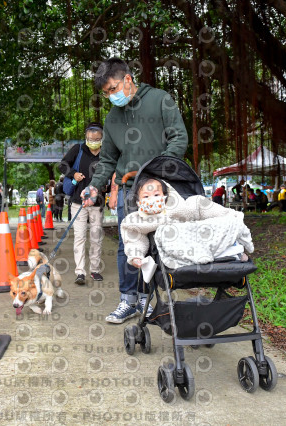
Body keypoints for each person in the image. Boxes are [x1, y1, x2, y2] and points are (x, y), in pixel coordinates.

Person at [82, 57, 188, 324]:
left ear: (127, 80)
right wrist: (94, 187)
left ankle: (149, 299)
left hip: (161, 190)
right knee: (127, 246)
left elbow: (179, 138)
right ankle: (128, 300)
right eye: (106, 93)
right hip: (129, 192)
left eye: (112, 89)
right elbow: (107, 160)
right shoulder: (112, 118)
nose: (110, 96)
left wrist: (158, 173)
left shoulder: (160, 100)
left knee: (160, 243)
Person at [121, 177, 253, 269]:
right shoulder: (137, 220)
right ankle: (232, 254)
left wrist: (231, 216)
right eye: (146, 196)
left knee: (216, 223)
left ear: (166, 196)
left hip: (198, 238)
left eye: (156, 195)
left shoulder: (181, 208)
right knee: (166, 233)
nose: (152, 199)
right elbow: (134, 238)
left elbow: (203, 206)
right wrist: (135, 255)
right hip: (176, 249)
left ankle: (233, 251)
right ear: (138, 201)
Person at [59, 122, 108, 285]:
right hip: (78, 202)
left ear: (102, 138)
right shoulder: (78, 149)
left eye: (96, 139)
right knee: (79, 237)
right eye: (90, 138)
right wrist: (74, 174)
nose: (93, 141)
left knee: (96, 237)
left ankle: (95, 269)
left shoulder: (107, 152)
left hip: (97, 202)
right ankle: (80, 272)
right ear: (86, 137)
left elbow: (112, 171)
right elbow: (62, 165)